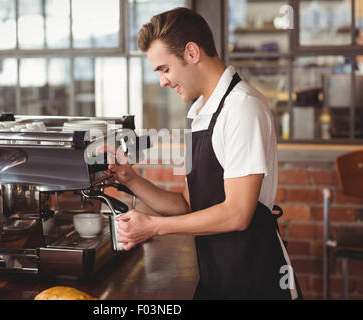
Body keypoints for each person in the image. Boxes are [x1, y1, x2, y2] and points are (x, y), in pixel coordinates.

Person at [107, 7, 302, 300]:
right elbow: (187, 204)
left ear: (191, 53)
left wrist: (155, 227)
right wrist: (130, 179)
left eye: (164, 68)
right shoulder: (201, 114)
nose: (162, 81)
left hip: (254, 276)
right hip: (218, 273)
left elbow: (237, 214)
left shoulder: (242, 108)